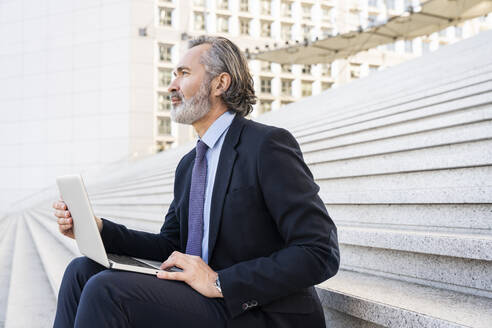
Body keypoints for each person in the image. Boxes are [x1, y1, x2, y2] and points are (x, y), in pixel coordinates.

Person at [52, 36, 340, 328]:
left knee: (108, 291)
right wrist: (99, 229)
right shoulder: (189, 165)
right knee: (82, 271)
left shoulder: (267, 146)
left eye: (184, 73)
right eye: (174, 74)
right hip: (204, 302)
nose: (172, 85)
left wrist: (219, 282)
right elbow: (170, 245)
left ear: (220, 84)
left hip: (258, 311)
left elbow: (319, 251)